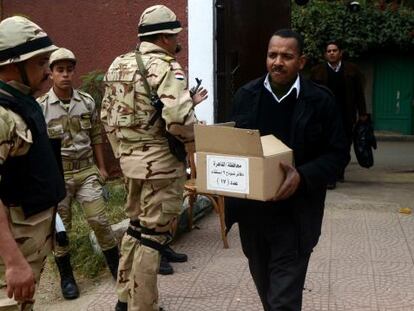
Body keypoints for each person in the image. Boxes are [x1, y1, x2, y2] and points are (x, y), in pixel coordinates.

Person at [225, 29, 349, 311]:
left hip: (297, 218)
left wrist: (303, 177)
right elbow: (232, 149)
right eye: (272, 55)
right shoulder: (246, 95)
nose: (278, 62)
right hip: (253, 217)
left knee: (283, 302)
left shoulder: (320, 101)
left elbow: (338, 154)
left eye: (286, 56)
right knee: (269, 293)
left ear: (301, 62)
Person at [101, 5, 207, 311]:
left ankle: (125, 298)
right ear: (163, 37)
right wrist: (196, 142)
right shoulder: (166, 67)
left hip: (130, 164)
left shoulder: (118, 65)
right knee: (153, 237)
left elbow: (107, 117)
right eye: (174, 36)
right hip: (160, 166)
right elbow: (179, 121)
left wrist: (123, 153)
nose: (176, 41)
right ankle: (143, 306)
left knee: (136, 229)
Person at [37, 48, 119, 300]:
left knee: (100, 221)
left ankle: (117, 268)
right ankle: (67, 277)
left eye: (69, 70)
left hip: (85, 172)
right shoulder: (40, 107)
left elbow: (96, 134)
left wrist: (102, 167)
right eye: (59, 70)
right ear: (50, 74)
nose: (65, 75)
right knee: (61, 231)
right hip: (58, 177)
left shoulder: (86, 102)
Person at [0, 16, 66, 310]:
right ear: (12, 65)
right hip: (11, 253)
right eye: (40, 64)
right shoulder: (3, 116)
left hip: (30, 242)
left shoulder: (23, 103)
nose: (48, 72)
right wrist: (13, 262)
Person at [311, 41, 367, 188]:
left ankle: (339, 170)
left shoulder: (351, 69)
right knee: (326, 145)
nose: (332, 53)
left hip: (346, 115)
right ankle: (330, 175)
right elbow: (310, 95)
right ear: (325, 54)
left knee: (344, 145)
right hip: (324, 116)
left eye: (334, 50)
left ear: (340, 53)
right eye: (329, 51)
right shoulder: (317, 71)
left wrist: (362, 113)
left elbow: (359, 93)